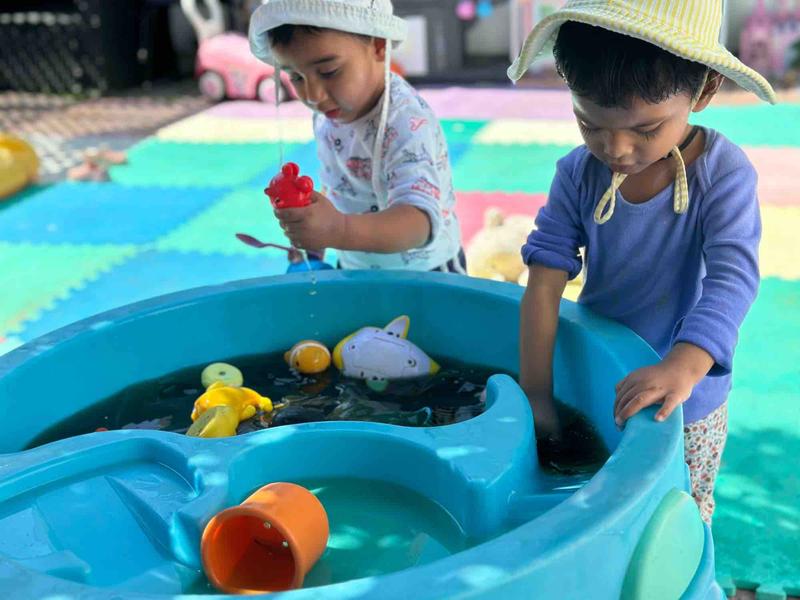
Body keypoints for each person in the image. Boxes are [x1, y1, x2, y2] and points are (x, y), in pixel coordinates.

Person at [508, 0, 776, 522]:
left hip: (685, 398)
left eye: (646, 130)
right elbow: (543, 284)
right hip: (596, 379)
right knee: (600, 507)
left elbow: (733, 278)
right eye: (590, 124)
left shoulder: (722, 175)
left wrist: (684, 366)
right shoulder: (578, 174)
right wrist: (536, 394)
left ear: (704, 89)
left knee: (676, 515)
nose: (617, 150)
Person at [248, 0, 464, 272]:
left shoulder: (405, 122)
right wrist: (313, 235)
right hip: (354, 264)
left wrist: (337, 229)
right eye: (297, 77)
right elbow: (340, 185)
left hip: (425, 275)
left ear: (378, 46)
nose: (313, 96)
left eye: (329, 72)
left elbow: (419, 223)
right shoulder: (330, 113)